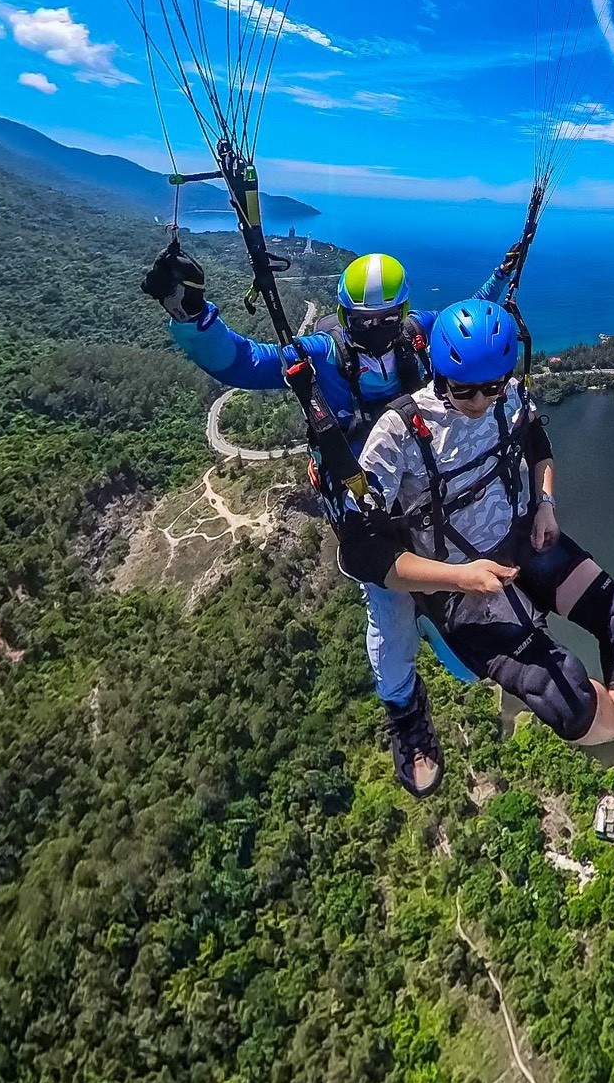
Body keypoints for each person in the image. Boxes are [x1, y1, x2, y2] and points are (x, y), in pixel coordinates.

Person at [341, 296, 614, 859]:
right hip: (458, 591)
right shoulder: (398, 433)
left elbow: (536, 440)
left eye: (492, 387)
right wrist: (459, 579)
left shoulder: (506, 397)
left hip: (521, 542)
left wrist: (544, 503)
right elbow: (362, 555)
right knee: (563, 693)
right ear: (440, 376)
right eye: (465, 390)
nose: (480, 401)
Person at [142, 239, 452, 796]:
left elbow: (475, 316)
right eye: (367, 322)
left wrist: (506, 273)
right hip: (363, 503)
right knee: (390, 605)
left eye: (384, 322)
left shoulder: (418, 337)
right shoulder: (326, 357)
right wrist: (192, 317)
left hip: (419, 486)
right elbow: (243, 361)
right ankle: (407, 715)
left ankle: (482, 646)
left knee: (462, 561)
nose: (378, 332)